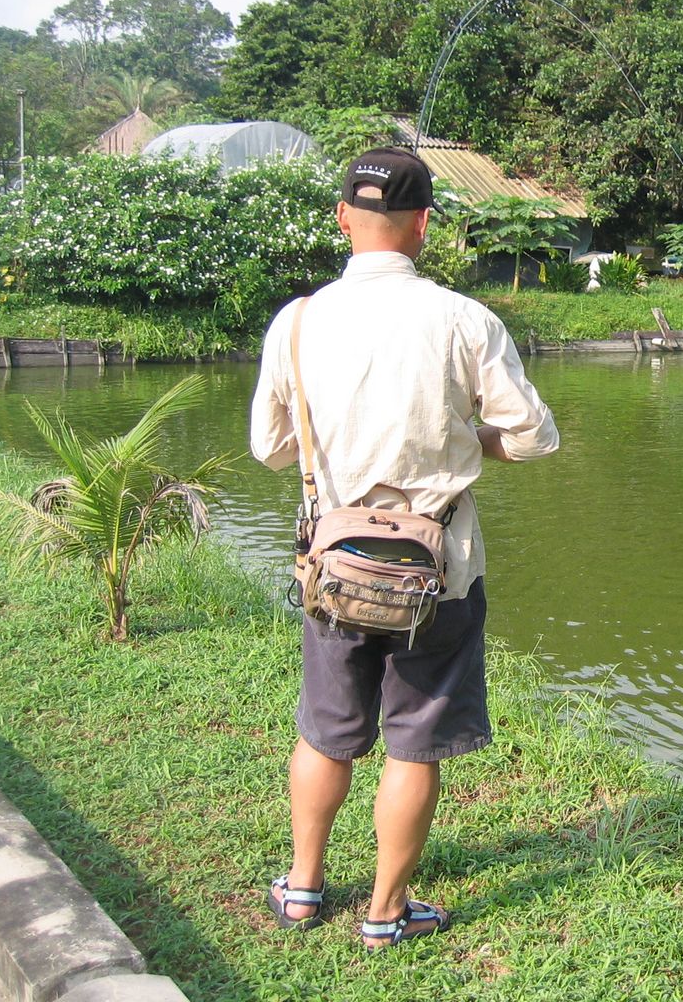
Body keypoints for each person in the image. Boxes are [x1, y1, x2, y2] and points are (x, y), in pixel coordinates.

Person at [249, 146, 559, 948]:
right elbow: (533, 439)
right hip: (438, 572)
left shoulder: (299, 321)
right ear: (425, 224)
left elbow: (270, 449)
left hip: (333, 566)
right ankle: (386, 912)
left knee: (325, 729)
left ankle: (303, 888)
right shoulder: (466, 320)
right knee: (413, 740)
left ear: (344, 219)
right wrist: (471, 444)